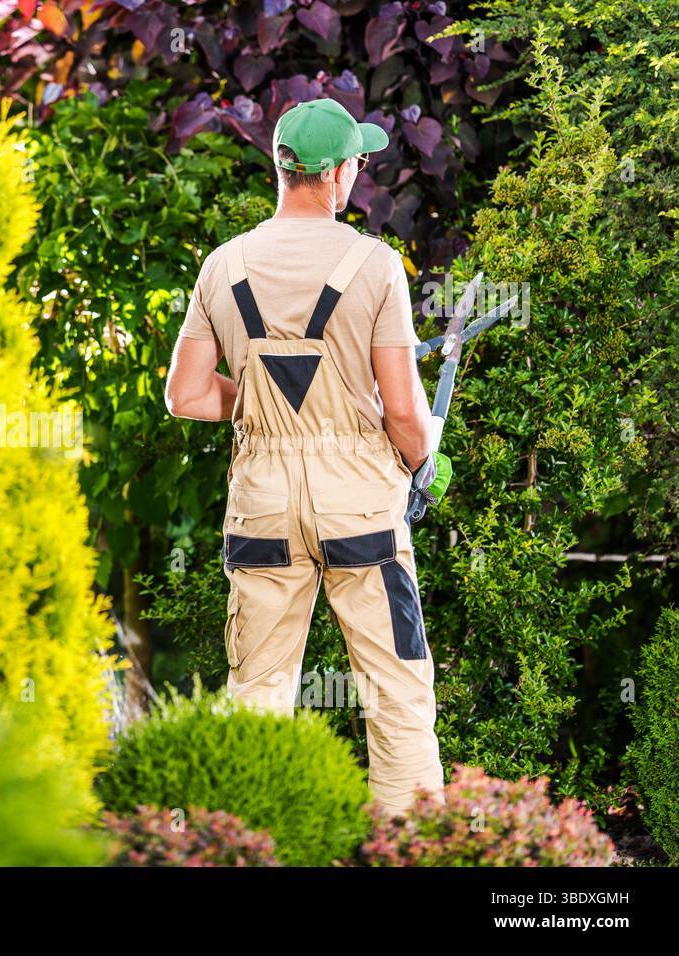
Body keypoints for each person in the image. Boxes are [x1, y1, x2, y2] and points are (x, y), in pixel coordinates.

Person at [163, 98, 445, 816]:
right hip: (358, 502)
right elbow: (407, 413)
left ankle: (239, 850)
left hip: (261, 501)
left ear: (281, 167)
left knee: (256, 691)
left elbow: (188, 395)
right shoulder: (376, 265)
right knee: (396, 688)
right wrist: (423, 459)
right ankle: (411, 849)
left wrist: (261, 403)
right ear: (341, 174)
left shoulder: (223, 266)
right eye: (357, 161)